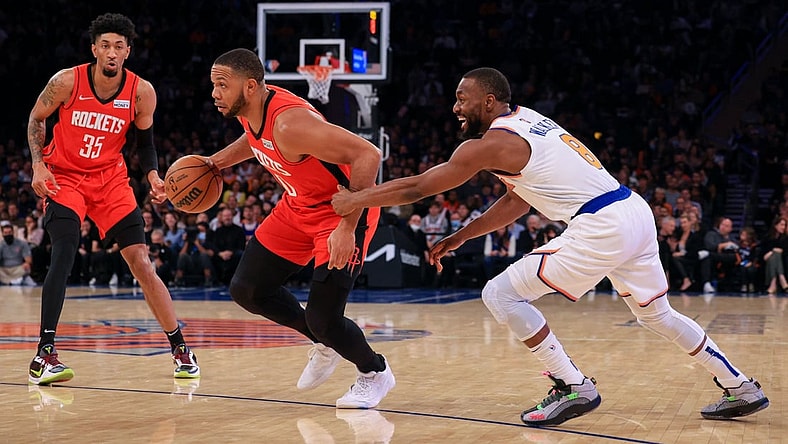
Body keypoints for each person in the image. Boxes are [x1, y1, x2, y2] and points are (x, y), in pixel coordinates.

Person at [332, 67, 769, 425]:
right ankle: (740, 386)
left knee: (500, 294)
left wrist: (357, 198)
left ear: (488, 101)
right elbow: (518, 201)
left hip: (602, 223)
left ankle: (573, 385)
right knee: (658, 315)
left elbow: (419, 187)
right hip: (632, 210)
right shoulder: (527, 121)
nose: (455, 106)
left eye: (462, 97)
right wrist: (462, 235)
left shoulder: (491, 143)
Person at [196, 48, 394, 409]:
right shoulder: (250, 111)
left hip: (342, 210)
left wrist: (348, 225)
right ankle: (322, 342)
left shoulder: (291, 123)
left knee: (324, 318)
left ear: (251, 87)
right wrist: (214, 163)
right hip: (297, 206)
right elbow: (255, 141)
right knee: (248, 289)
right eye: (213, 85)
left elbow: (368, 154)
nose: (215, 93)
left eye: (222, 85)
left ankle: (374, 372)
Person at [26, 13, 199, 385]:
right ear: (94, 49)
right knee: (65, 250)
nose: (111, 51)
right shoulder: (66, 81)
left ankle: (180, 349)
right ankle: (44, 354)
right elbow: (37, 118)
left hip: (110, 180)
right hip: (66, 177)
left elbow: (146, 144)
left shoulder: (141, 92)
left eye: (119, 46)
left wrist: (153, 174)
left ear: (128, 52)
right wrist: (38, 165)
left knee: (142, 263)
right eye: (105, 44)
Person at [0, 221, 36, 286]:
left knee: (27, 268)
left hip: (18, 269)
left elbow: (29, 260)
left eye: (9, 232)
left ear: (13, 232)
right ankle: (14, 281)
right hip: (5, 270)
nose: (8, 234)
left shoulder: (22, 243)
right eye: (5, 233)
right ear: (2, 234)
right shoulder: (0, 245)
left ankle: (14, 280)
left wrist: (27, 263)